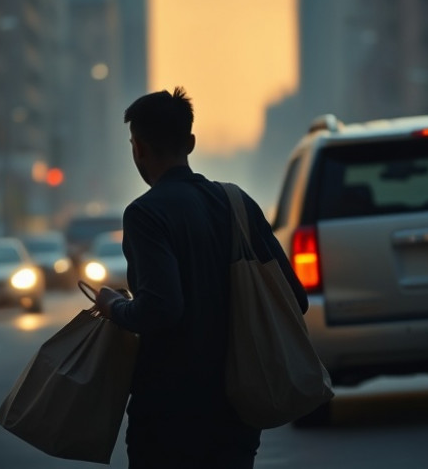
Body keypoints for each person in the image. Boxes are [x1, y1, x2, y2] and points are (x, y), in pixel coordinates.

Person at [93, 87, 309, 469]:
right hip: (238, 406)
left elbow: (162, 308)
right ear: (190, 142)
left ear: (138, 148)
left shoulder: (145, 215)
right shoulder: (236, 202)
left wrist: (115, 307)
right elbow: (295, 298)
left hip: (168, 410)